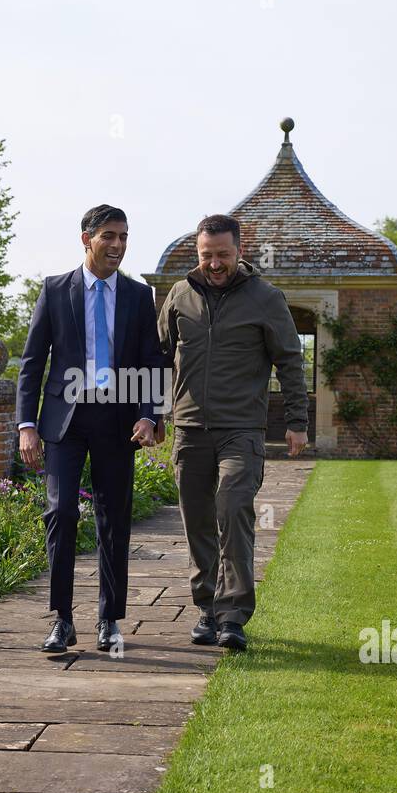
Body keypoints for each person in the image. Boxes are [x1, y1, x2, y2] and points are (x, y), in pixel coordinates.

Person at [17, 205, 166, 653]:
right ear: (86, 239)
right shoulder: (55, 290)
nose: (118, 245)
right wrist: (27, 424)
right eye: (108, 236)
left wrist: (150, 414)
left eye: (123, 237)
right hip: (65, 419)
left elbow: (151, 362)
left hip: (119, 421)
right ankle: (62, 619)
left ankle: (109, 620)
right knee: (60, 513)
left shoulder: (141, 297)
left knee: (113, 519)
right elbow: (31, 363)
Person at [157, 214, 309, 651]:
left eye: (223, 254)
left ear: (240, 252)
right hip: (189, 430)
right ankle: (207, 607)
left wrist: (297, 422)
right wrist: (152, 414)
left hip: (241, 429)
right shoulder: (180, 295)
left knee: (234, 507)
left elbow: (291, 362)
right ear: (197, 253)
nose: (215, 263)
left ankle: (233, 616)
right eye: (207, 255)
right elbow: (159, 355)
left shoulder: (265, 298)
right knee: (198, 522)